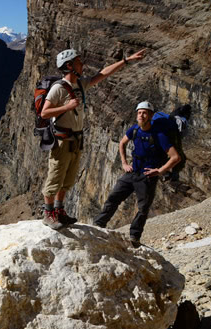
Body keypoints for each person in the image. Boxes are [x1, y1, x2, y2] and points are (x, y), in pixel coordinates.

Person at [41, 47, 147, 229]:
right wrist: (66, 107)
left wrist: (126, 61)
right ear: (69, 65)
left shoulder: (80, 84)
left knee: (67, 178)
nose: (82, 65)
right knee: (55, 177)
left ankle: (59, 210)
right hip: (62, 141)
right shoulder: (58, 89)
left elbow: (102, 74)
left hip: (76, 140)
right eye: (78, 62)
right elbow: (44, 112)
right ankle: (48, 213)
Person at [93, 101, 181, 246]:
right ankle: (99, 223)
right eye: (139, 112)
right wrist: (124, 163)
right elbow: (122, 143)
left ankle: (134, 237)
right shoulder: (134, 129)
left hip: (147, 176)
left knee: (143, 208)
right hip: (132, 172)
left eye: (145, 112)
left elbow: (175, 157)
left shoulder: (159, 135)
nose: (141, 115)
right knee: (113, 198)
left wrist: (159, 171)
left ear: (151, 116)